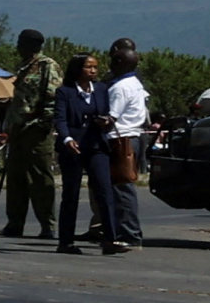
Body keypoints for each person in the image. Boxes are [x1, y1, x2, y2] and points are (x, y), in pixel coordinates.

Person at [0, 31, 59, 240]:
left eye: (20, 43)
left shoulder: (47, 65)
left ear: (31, 45)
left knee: (41, 179)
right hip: (18, 131)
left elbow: (53, 98)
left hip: (36, 131)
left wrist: (43, 124)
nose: (17, 47)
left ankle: (47, 225)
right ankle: (15, 223)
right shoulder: (23, 67)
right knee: (15, 179)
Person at [52, 50, 110, 255]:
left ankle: (110, 239)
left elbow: (107, 113)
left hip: (96, 145)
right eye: (89, 67)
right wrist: (66, 138)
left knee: (104, 189)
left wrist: (107, 121)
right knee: (71, 193)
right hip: (73, 147)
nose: (93, 71)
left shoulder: (102, 90)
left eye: (95, 67)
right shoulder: (65, 92)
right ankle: (66, 241)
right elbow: (60, 119)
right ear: (78, 69)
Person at [97, 39, 150, 252]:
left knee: (121, 189)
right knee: (123, 187)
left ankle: (129, 233)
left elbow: (110, 118)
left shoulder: (119, 88)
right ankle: (124, 230)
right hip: (133, 136)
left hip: (121, 139)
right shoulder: (136, 83)